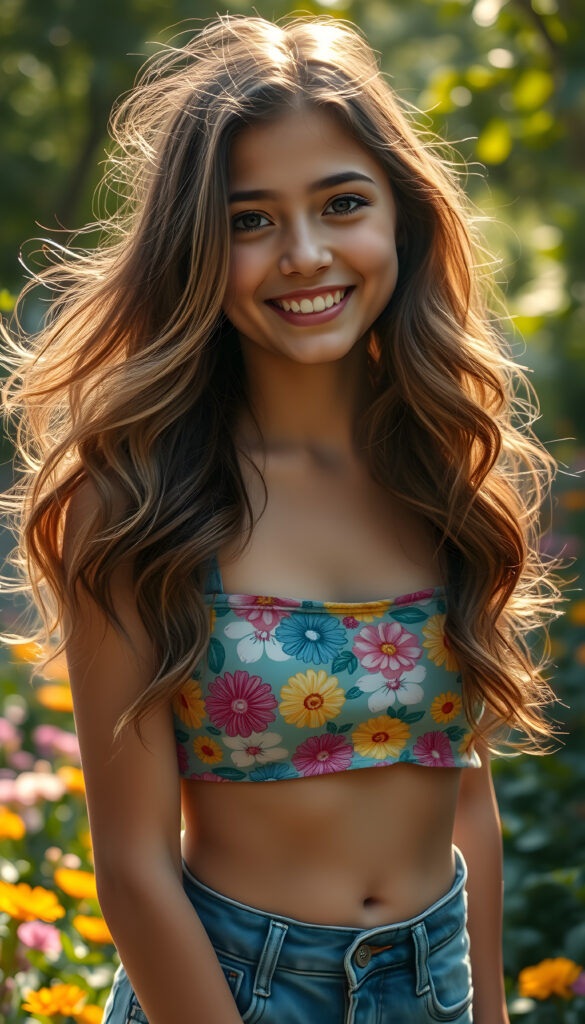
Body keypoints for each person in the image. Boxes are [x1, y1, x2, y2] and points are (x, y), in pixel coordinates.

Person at [0, 14, 563, 1024]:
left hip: (432, 982)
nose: (304, 254)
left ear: (401, 216)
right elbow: (130, 869)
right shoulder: (135, 498)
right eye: (250, 220)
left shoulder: (442, 471)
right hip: (230, 991)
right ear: (197, 248)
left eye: (342, 203)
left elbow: (463, 791)